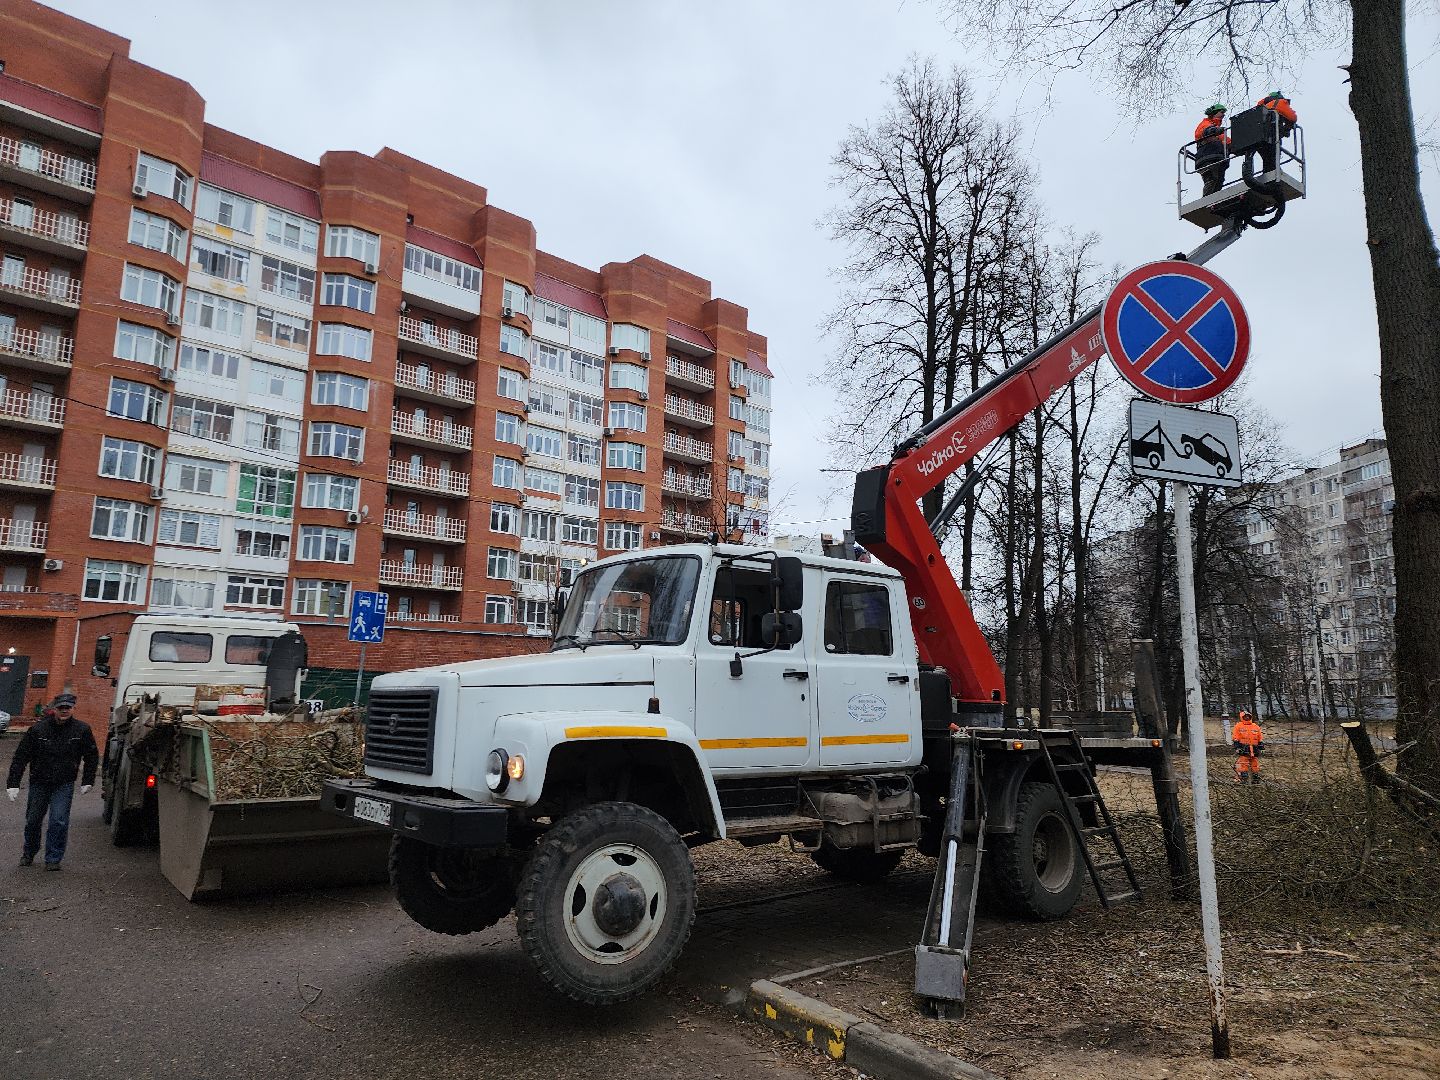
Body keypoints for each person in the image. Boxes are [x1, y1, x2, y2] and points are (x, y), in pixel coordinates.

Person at [6, 692, 98, 870]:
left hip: (63, 783)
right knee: (33, 820)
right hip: (39, 781)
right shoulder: (39, 730)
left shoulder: (81, 730)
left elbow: (91, 756)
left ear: (73, 709)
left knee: (59, 820)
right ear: (54, 709)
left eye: (68, 708)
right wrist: (13, 783)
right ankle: (29, 853)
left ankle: (53, 859)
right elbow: (21, 756)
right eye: (61, 708)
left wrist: (88, 780)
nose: (64, 711)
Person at [1193, 103, 1230, 196]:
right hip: (1207, 158)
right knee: (1211, 180)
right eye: (1221, 112)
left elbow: (1228, 142)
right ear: (1213, 113)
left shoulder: (1220, 131)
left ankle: (1214, 203)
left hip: (1219, 159)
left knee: (1218, 182)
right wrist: (1213, 131)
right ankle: (1206, 204)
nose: (1223, 115)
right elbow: (1205, 131)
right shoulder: (1205, 124)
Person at [1256, 91, 1298, 172]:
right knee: (1274, 155)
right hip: (1272, 134)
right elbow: (1292, 117)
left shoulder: (1261, 107)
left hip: (1260, 137)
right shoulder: (1280, 102)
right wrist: (1287, 128)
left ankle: (1269, 172)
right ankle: (1274, 172)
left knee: (1267, 159)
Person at [1231, 709, 1264, 785]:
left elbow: (1260, 738)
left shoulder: (1255, 726)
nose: (1247, 718)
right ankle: (1243, 778)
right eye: (1245, 716)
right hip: (1243, 748)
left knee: (1255, 764)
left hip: (1254, 749)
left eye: (1248, 716)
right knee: (1243, 763)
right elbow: (1236, 738)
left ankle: (1255, 778)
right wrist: (1237, 748)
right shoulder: (1238, 726)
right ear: (1242, 717)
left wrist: (1261, 747)